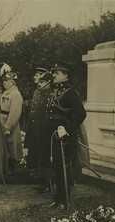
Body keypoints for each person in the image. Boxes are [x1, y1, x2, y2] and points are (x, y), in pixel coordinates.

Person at [43, 62, 86, 210]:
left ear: (66, 75)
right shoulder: (55, 91)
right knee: (57, 167)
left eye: (57, 73)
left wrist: (67, 129)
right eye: (53, 72)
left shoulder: (70, 92)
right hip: (53, 136)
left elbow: (80, 113)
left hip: (64, 137)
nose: (53, 75)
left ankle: (65, 201)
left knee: (64, 167)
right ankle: (57, 199)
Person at [24, 68, 55, 193]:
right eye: (39, 82)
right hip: (35, 130)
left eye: (42, 82)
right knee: (37, 157)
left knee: (45, 158)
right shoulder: (38, 92)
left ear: (48, 82)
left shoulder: (50, 94)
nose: (39, 84)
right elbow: (33, 112)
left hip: (43, 131)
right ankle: (42, 181)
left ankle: (48, 183)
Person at [0, 71, 24, 174]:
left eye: (6, 81)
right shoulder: (6, 93)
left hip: (9, 123)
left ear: (12, 82)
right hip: (1, 121)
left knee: (11, 147)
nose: (4, 83)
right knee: (5, 147)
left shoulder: (16, 94)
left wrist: (8, 127)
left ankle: (12, 171)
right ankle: (6, 170)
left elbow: (15, 112)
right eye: (4, 81)